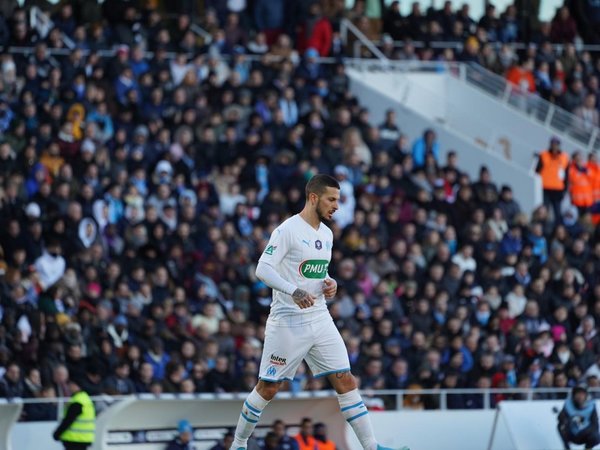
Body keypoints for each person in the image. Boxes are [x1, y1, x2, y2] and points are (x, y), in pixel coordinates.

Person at [229, 174, 409, 450]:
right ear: (314, 198)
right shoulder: (287, 230)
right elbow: (262, 269)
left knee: (345, 379)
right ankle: (239, 444)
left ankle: (371, 447)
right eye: (332, 199)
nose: (337, 206)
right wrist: (293, 291)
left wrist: (330, 283)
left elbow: (316, 272)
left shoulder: (326, 234)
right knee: (268, 387)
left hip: (320, 317)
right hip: (288, 321)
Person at [52, 379, 96, 450]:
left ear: (76, 386)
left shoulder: (78, 401)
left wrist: (57, 434)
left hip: (74, 439)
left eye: (70, 385)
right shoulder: (85, 399)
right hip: (84, 438)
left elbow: (68, 420)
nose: (69, 387)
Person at [536, 137, 569, 223]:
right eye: (553, 144)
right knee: (544, 210)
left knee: (557, 212)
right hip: (545, 187)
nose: (554, 146)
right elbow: (537, 170)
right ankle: (543, 226)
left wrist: (565, 189)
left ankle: (558, 229)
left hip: (558, 189)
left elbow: (566, 175)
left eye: (556, 144)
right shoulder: (543, 155)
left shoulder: (564, 157)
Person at [557, 385, 600, 450]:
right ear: (573, 395)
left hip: (585, 433)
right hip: (571, 434)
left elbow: (595, 423)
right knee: (560, 426)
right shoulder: (568, 405)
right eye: (578, 393)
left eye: (582, 394)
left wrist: (592, 434)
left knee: (596, 437)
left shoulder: (591, 406)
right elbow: (560, 418)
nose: (580, 396)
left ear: (586, 396)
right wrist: (565, 420)